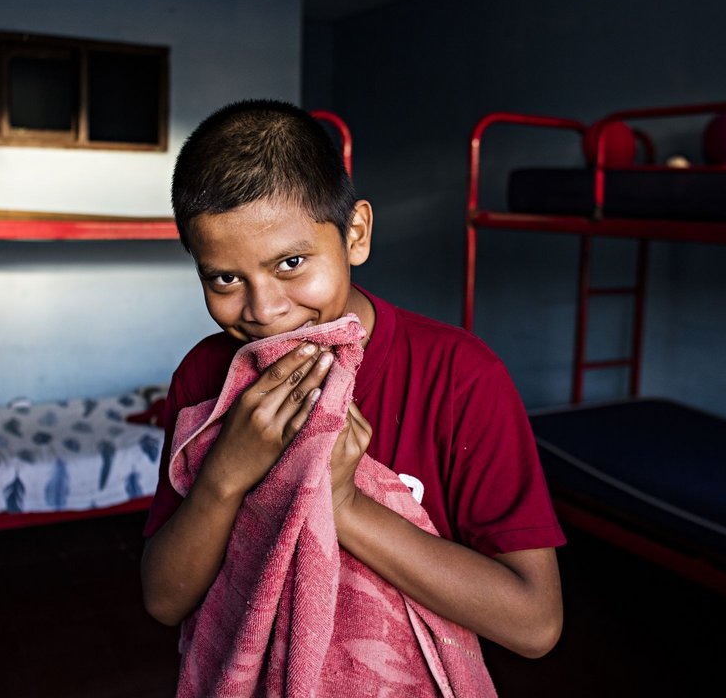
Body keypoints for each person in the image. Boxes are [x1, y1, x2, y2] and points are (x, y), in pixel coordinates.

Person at [140, 99, 565, 664]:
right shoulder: (204, 374)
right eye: (224, 279)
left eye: (291, 263)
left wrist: (344, 503)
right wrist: (225, 475)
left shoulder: (460, 376)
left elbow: (535, 623)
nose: (264, 310)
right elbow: (163, 601)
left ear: (356, 234)